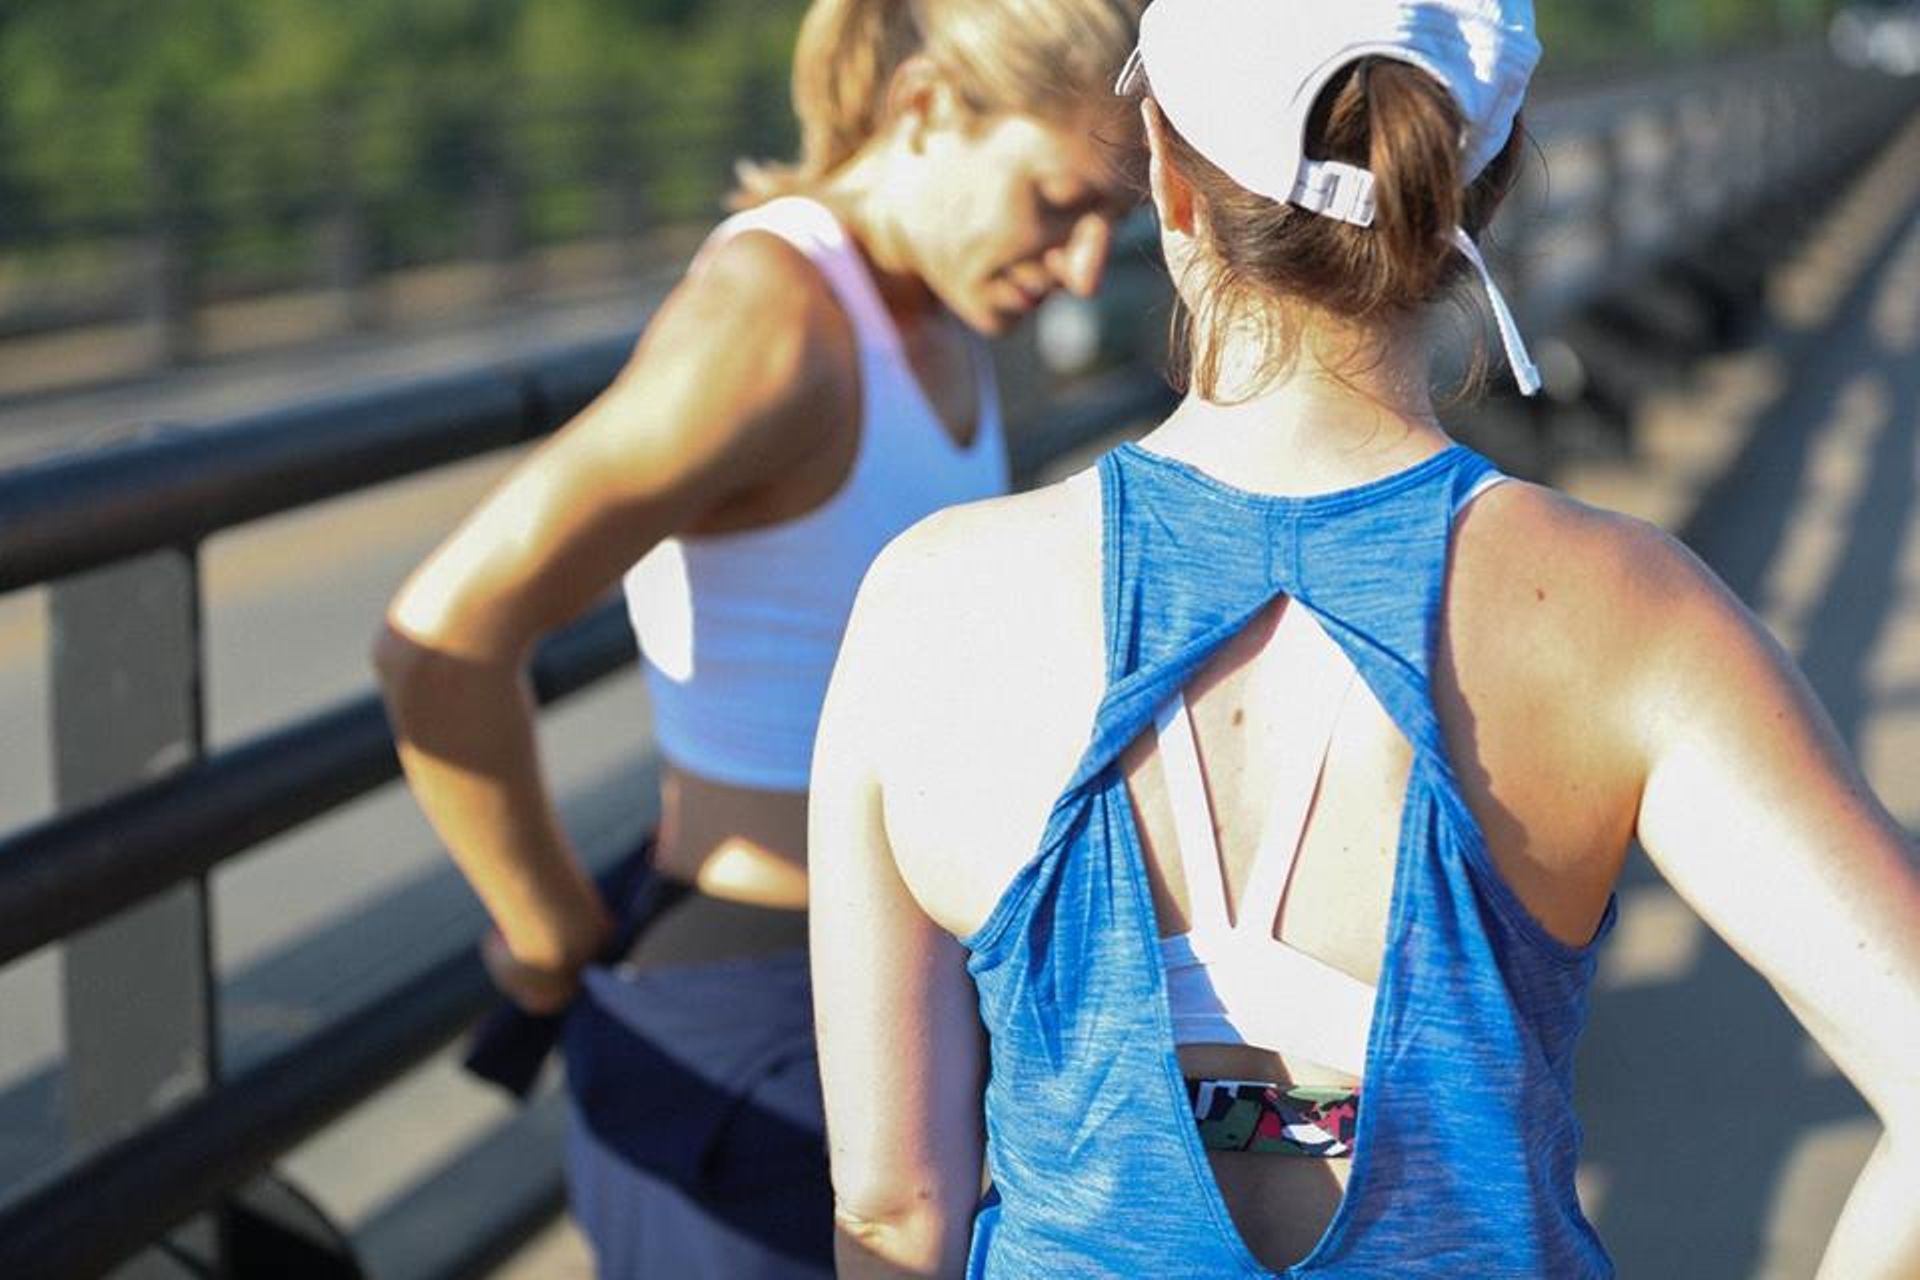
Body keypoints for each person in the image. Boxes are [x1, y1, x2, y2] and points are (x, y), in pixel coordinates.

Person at [807, 0, 1920, 1275]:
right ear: (1477, 193)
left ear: (1167, 179)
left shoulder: (930, 606)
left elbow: (891, 1204)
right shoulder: (1629, 612)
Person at [372, 0, 1145, 1274]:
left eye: (1108, 221)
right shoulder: (775, 319)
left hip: (902, 1001)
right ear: (928, 112)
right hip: (754, 1017)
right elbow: (440, 641)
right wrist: (551, 928)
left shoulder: (943, 302)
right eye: (1058, 203)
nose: (1077, 268)